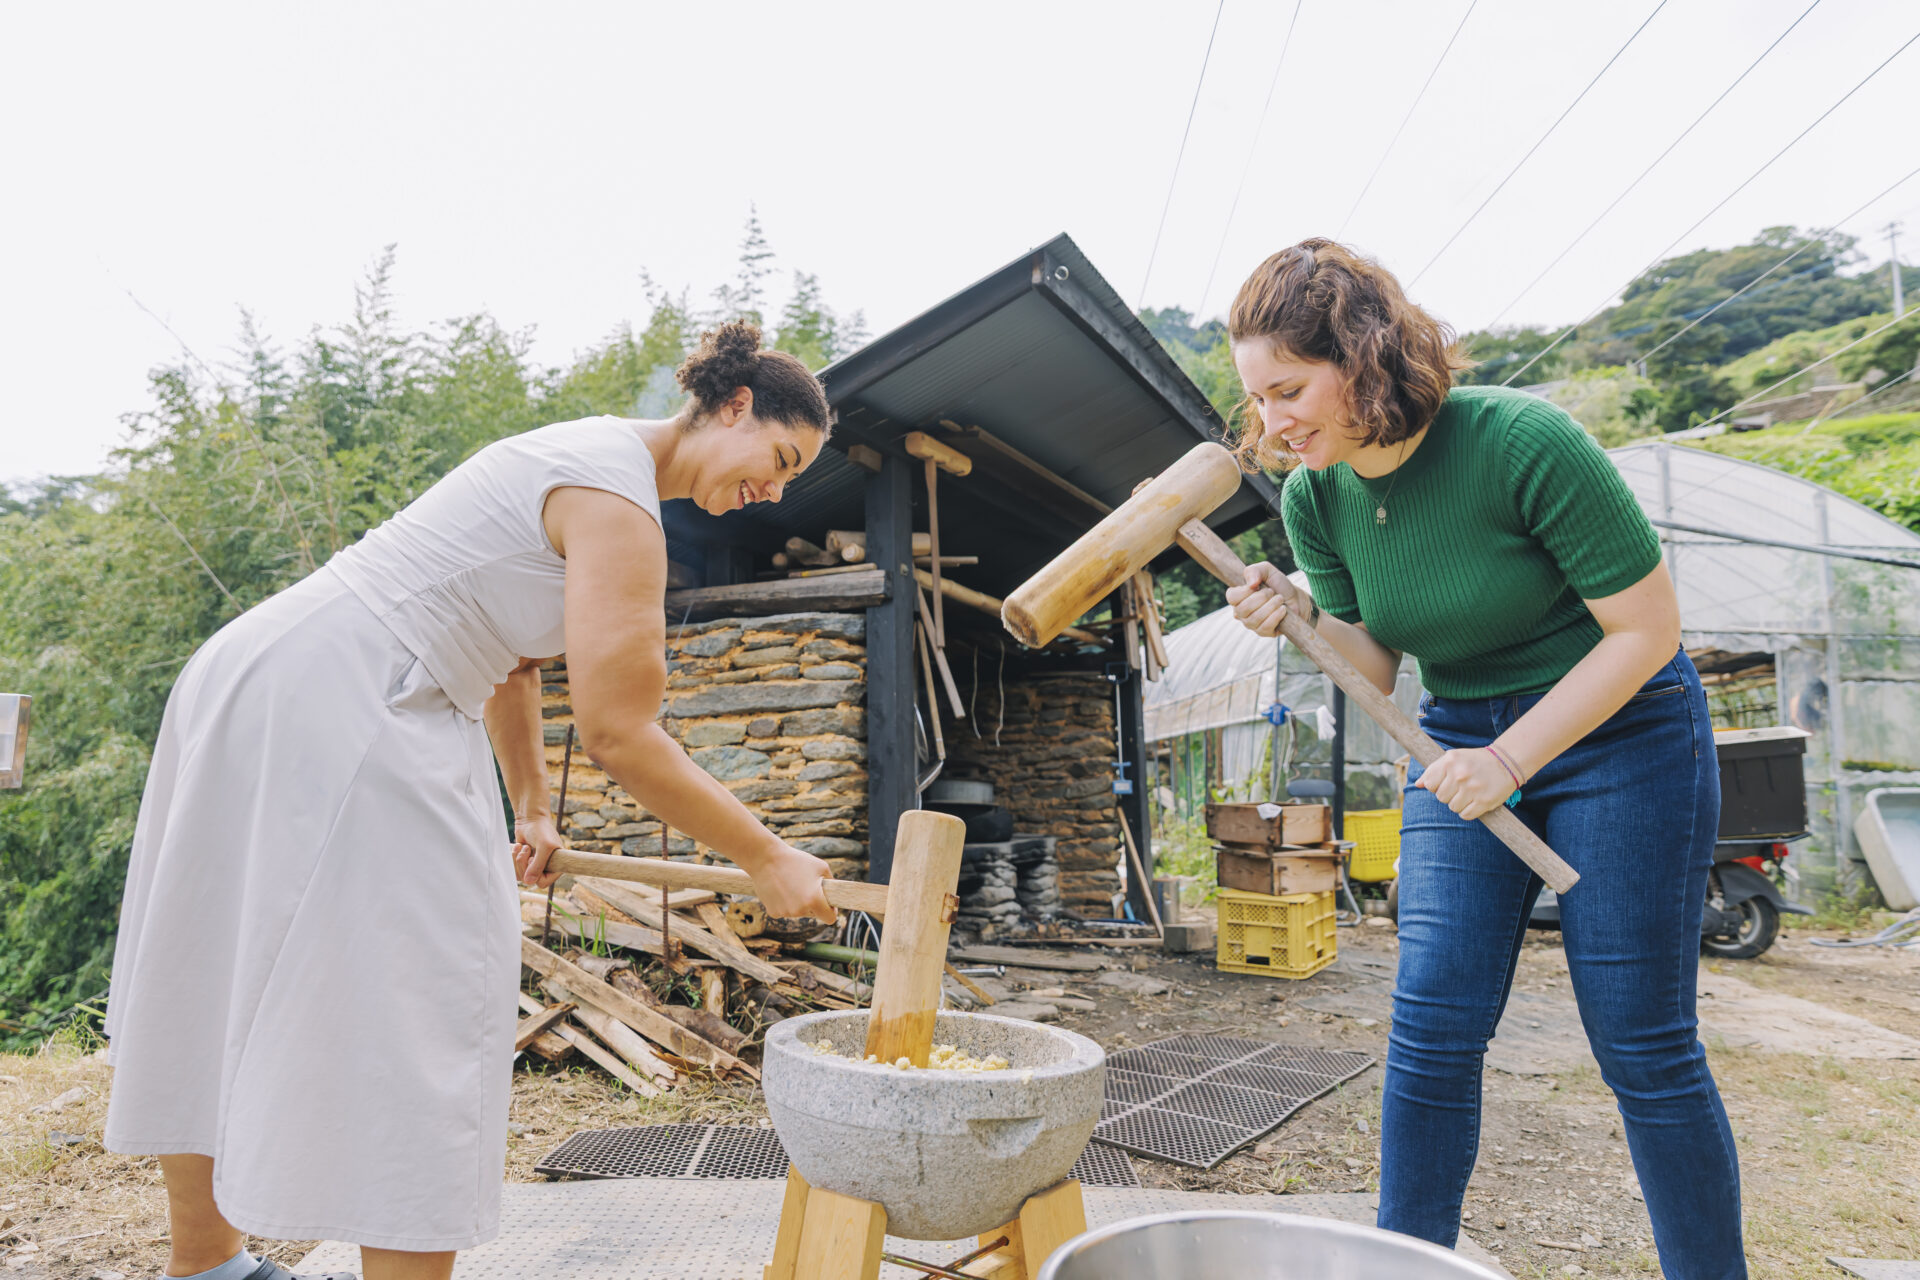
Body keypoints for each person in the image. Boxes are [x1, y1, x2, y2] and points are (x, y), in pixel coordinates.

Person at [103, 322, 839, 1280]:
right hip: (356, 692)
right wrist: (768, 857)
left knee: (221, 957)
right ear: (734, 407)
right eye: (779, 461)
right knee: (434, 998)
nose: (775, 493)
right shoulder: (619, 505)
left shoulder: (585, 452)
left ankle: (207, 1268)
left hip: (275, 666)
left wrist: (532, 805)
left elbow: (512, 663)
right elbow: (622, 735)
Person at [1222, 241, 1745, 1279]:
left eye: (1289, 387)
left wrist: (1510, 755)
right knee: (1432, 1025)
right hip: (1463, 737)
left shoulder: (1521, 440)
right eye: (1258, 399)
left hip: (1624, 731)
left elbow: (1645, 632)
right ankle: (1406, 1265)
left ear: (1364, 355)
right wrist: (1302, 616)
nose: (1274, 423)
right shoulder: (1315, 500)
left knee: (1641, 1041)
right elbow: (1375, 659)